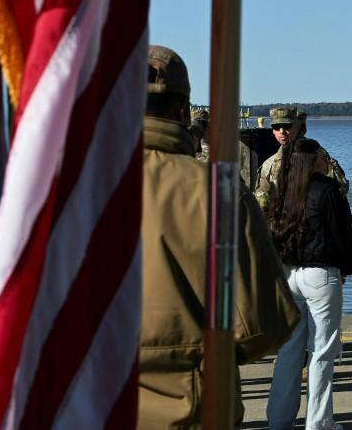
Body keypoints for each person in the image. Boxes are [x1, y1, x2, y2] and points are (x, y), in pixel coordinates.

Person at [139, 45, 298, 428]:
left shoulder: (67, 190)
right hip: (191, 405)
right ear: (182, 112)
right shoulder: (216, 190)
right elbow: (264, 325)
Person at [266, 138, 352, 430]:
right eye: (322, 157)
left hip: (288, 273)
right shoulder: (328, 191)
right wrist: (347, 267)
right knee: (322, 351)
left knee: (289, 349)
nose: (326, 161)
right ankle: (319, 422)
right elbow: (343, 234)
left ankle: (279, 419)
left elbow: (273, 234)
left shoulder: (283, 192)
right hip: (321, 274)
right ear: (313, 161)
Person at [255, 107, 348, 214]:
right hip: (283, 225)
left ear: (298, 127)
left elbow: (341, 188)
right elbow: (262, 203)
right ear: (272, 131)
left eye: (287, 126)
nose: (282, 132)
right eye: (276, 127)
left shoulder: (316, 155)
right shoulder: (269, 164)